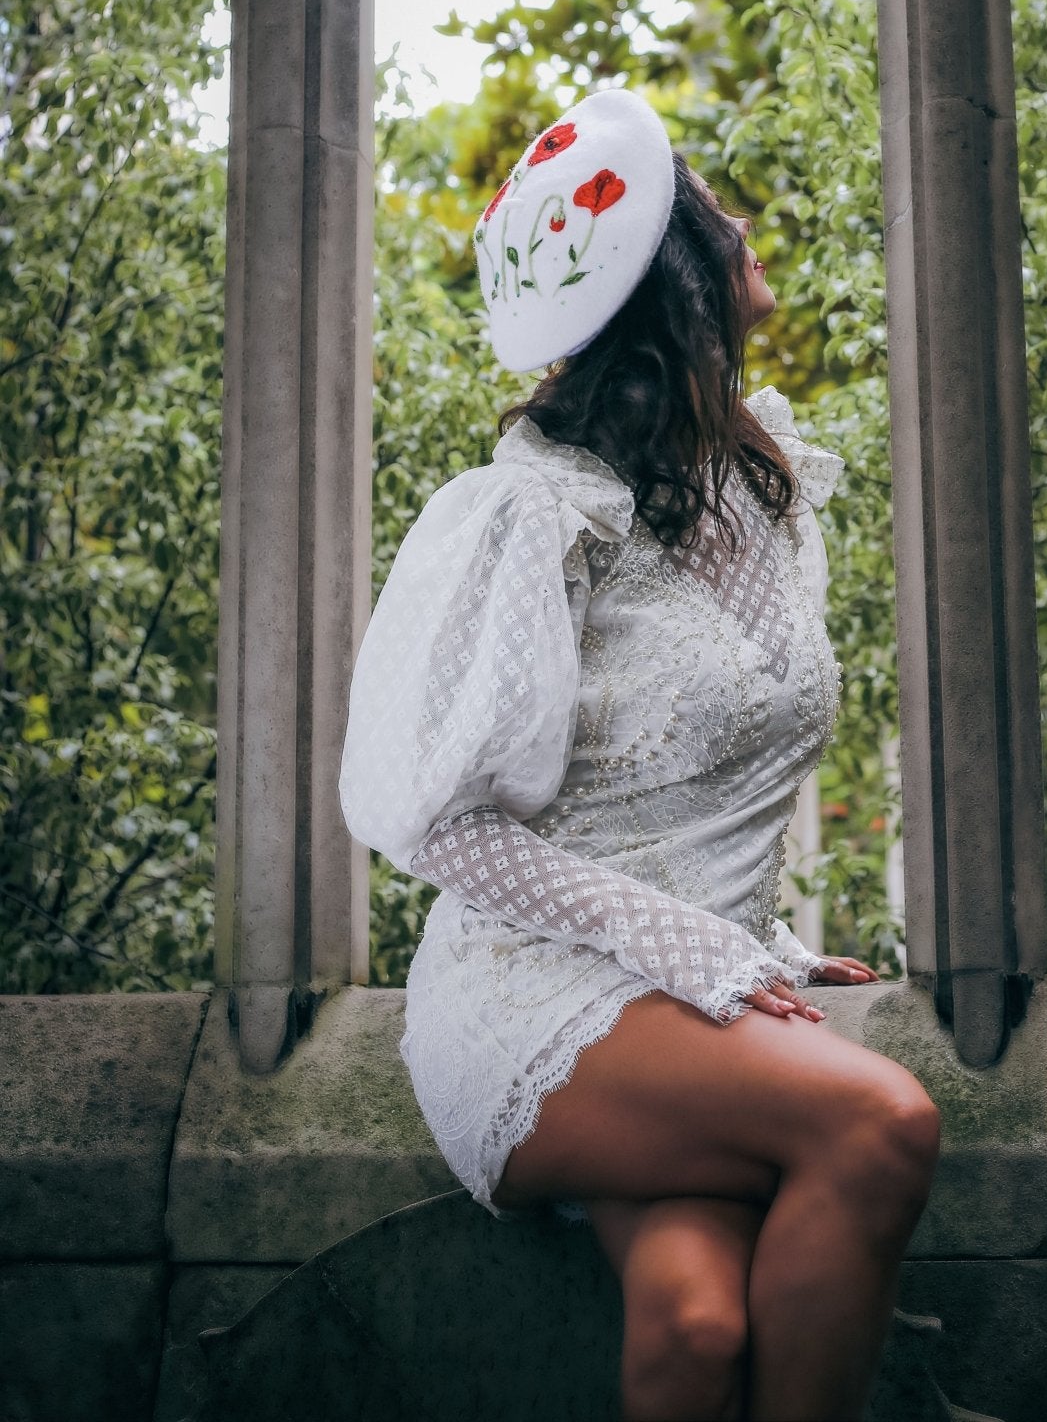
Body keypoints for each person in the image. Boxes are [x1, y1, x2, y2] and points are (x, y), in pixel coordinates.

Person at [340, 87, 942, 1422]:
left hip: (690, 1003)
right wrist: (703, 956)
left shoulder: (763, 476)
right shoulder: (536, 512)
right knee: (880, 1122)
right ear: (681, 281)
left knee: (695, 1324)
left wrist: (757, 953)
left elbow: (688, 799)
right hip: (530, 1001)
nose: (753, 243)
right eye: (724, 224)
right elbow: (436, 831)